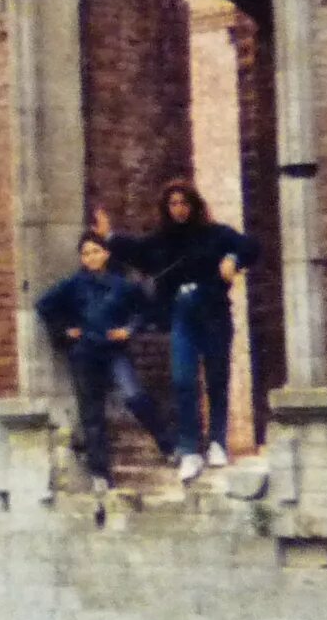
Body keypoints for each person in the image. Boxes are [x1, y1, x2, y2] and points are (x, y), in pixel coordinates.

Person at [94, 182, 259, 484]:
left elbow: (250, 246)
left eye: (184, 203)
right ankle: (189, 449)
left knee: (217, 378)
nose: (179, 209)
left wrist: (233, 259)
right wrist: (110, 237)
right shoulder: (163, 241)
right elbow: (138, 251)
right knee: (183, 380)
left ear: (194, 205)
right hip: (182, 314)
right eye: (173, 204)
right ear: (166, 208)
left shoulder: (216, 235)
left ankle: (217, 443)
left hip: (214, 312)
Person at [35, 229, 169, 492]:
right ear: (81, 259)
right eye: (86, 253)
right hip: (84, 352)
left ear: (106, 254)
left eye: (96, 251)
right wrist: (64, 330)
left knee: (134, 396)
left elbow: (145, 310)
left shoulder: (122, 285)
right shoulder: (72, 285)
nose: (92, 257)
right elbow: (44, 305)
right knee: (92, 412)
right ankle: (100, 473)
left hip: (114, 351)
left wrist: (129, 330)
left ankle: (168, 444)